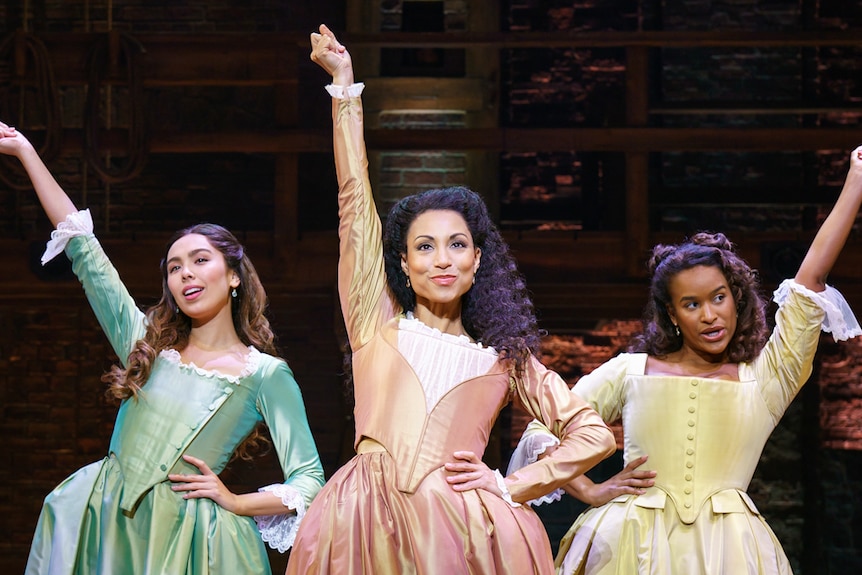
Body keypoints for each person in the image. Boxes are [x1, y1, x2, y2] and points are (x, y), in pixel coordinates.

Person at [284, 25, 617, 575]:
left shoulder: (504, 357)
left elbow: (594, 434)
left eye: (457, 245)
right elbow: (353, 202)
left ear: (477, 261)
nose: (442, 259)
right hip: (364, 522)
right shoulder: (376, 321)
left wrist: (512, 483)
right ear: (406, 265)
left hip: (458, 531)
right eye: (425, 247)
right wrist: (344, 88)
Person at [508, 147, 862, 574]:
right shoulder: (630, 371)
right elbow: (547, 425)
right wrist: (589, 489)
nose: (710, 315)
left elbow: (811, 280)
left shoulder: (767, 379)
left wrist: (855, 181)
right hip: (628, 546)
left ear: (736, 299)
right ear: (673, 315)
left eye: (718, 297)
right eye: (692, 304)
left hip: (728, 552)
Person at [0, 120, 326, 575]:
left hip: (184, 539)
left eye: (199, 260)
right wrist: (24, 151)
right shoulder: (147, 346)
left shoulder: (264, 374)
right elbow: (85, 251)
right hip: (103, 516)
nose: (186, 273)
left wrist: (234, 500)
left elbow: (310, 480)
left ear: (233, 275)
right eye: (175, 267)